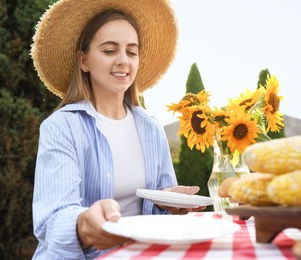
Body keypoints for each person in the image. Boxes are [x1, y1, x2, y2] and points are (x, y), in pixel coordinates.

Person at [30, 0, 205, 259]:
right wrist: (85, 223)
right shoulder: (61, 127)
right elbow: (52, 222)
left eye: (131, 52)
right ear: (84, 60)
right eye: (110, 50)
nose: (123, 61)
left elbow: (158, 222)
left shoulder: (151, 128)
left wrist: (166, 201)